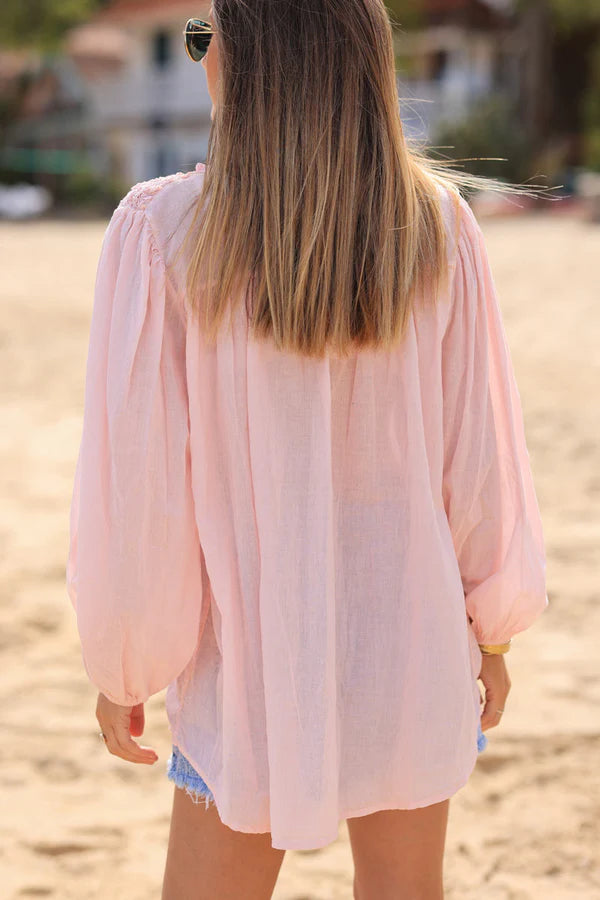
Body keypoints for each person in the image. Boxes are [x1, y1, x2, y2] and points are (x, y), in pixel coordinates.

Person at [65, 2, 549, 897]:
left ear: (249, 59)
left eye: (204, 35)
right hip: (409, 634)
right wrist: (493, 633)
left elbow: (143, 497)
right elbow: (477, 461)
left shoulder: (164, 233)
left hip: (248, 654)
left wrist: (128, 661)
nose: (199, 57)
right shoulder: (438, 226)